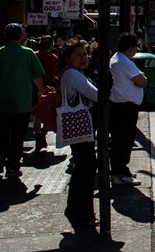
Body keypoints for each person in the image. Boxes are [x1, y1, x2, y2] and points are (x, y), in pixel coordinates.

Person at [0, 23, 45, 178]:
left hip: (2, 100)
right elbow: (37, 76)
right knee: (18, 134)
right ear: (21, 35)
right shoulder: (28, 53)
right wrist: (41, 92)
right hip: (21, 101)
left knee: (3, 129)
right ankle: (13, 166)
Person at [57, 42, 99, 229]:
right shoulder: (73, 74)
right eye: (78, 55)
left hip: (80, 128)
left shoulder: (71, 73)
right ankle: (82, 215)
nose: (83, 58)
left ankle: (74, 209)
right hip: (81, 128)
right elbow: (96, 95)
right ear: (67, 58)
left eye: (85, 54)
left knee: (82, 168)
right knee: (86, 169)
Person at [109, 32, 147, 187]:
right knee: (124, 140)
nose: (137, 49)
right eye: (136, 46)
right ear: (130, 47)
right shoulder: (125, 62)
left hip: (121, 105)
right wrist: (142, 78)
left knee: (120, 139)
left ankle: (121, 170)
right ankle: (119, 173)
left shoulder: (117, 59)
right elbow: (142, 82)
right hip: (125, 107)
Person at [33, 36, 58, 151]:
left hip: (34, 87)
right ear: (51, 45)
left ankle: (38, 135)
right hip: (49, 88)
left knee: (37, 114)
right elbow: (55, 73)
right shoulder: (53, 57)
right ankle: (43, 132)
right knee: (48, 113)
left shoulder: (34, 55)